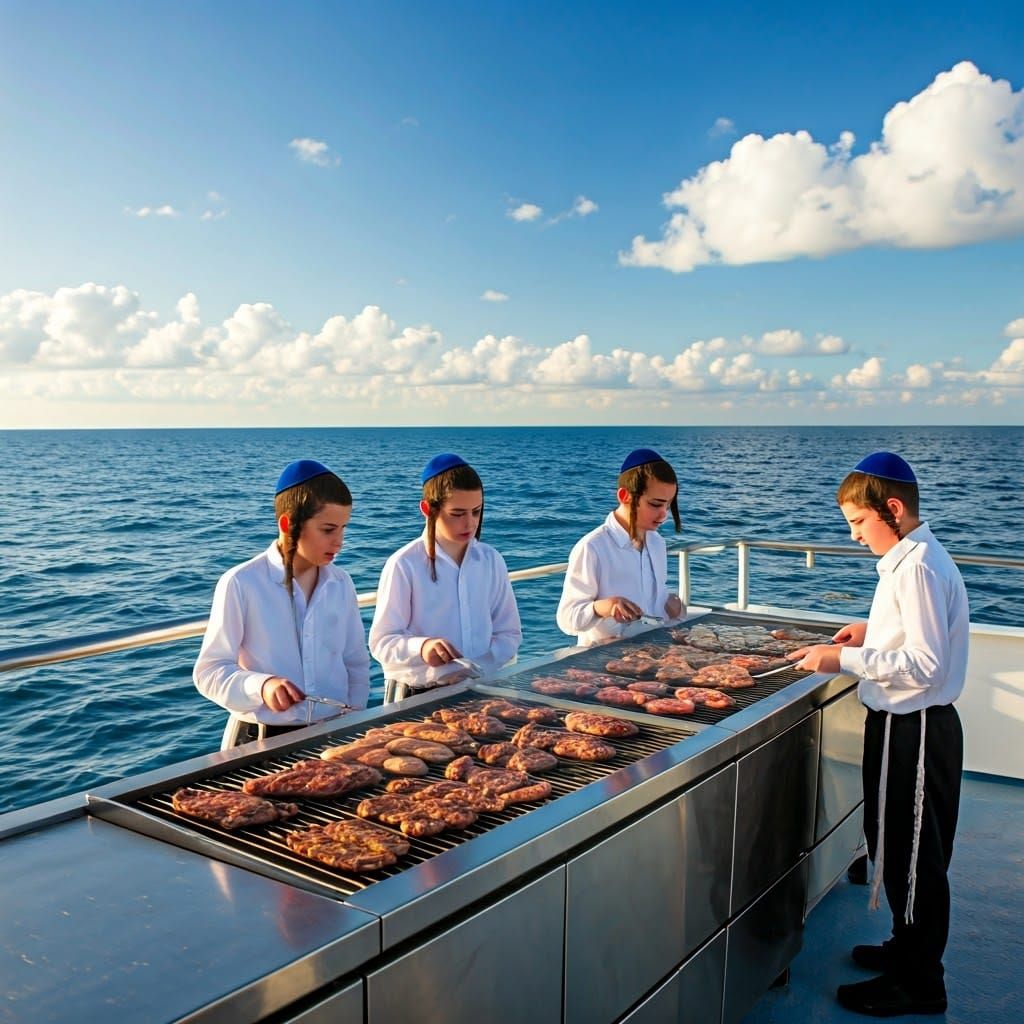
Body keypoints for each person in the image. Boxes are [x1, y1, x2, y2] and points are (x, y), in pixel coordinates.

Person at [789, 451, 968, 1018]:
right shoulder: (914, 557)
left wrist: (842, 658)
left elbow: (923, 664)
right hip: (914, 729)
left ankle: (920, 983)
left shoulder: (913, 565)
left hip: (909, 730)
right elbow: (913, 637)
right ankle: (907, 947)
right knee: (899, 845)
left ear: (892, 509)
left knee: (913, 855)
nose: (855, 535)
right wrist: (873, 631)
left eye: (859, 523)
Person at [194, 459, 370, 748]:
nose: (339, 541)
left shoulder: (342, 583)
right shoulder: (241, 583)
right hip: (260, 742)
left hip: (336, 737)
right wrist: (261, 686)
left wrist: (354, 720)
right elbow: (209, 672)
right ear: (288, 524)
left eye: (343, 528)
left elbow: (355, 662)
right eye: (328, 529)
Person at [369, 453, 522, 702]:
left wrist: (477, 667)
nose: (470, 523)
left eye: (476, 511)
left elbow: (509, 633)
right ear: (427, 509)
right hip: (416, 696)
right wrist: (422, 647)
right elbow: (382, 641)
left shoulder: (491, 560)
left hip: (482, 691)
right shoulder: (404, 564)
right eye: (457, 513)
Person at [557, 447, 685, 646]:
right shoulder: (592, 547)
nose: (664, 514)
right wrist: (604, 607)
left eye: (668, 505)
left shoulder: (658, 543)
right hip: (604, 664)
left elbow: (652, 602)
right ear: (625, 496)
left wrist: (669, 603)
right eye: (655, 504)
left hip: (654, 655)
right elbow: (566, 619)